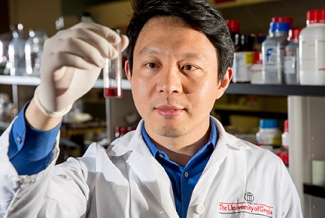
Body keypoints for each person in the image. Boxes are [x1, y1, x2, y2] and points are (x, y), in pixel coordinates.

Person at [0, 0, 303, 217]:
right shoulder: (91, 175)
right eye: (152, 64)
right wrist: (46, 109)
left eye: (189, 66)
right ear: (129, 74)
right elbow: (24, 209)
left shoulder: (266, 171)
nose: (169, 84)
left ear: (223, 81)